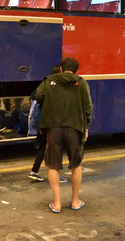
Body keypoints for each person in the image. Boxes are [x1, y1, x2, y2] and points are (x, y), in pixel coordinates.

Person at [35, 57, 92, 213]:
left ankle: (57, 203)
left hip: (53, 128)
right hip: (75, 128)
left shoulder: (49, 81)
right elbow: (88, 108)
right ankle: (75, 201)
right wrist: (86, 127)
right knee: (76, 164)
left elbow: (38, 96)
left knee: (53, 165)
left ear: (60, 68)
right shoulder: (81, 82)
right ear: (75, 70)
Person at [28, 66, 67, 184]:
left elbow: (34, 95)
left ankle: (34, 171)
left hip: (44, 122)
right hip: (55, 123)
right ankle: (55, 174)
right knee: (56, 148)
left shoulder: (45, 84)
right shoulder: (59, 88)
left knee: (44, 146)